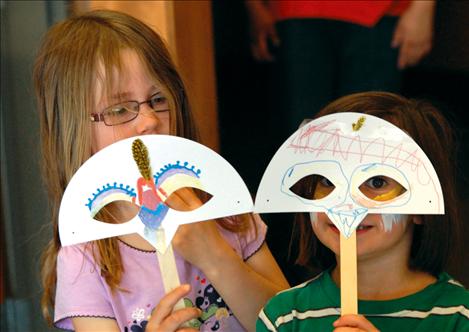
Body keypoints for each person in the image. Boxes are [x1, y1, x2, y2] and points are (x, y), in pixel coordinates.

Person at [34, 10, 289, 332]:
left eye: (157, 99)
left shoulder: (228, 214)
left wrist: (215, 256)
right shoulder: (85, 259)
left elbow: (287, 324)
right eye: (120, 109)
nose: (149, 120)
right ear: (73, 128)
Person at [256, 92, 469, 331]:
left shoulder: (459, 317)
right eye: (327, 181)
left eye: (376, 182)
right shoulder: (284, 317)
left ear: (422, 203)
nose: (347, 204)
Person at [245, 0, 436, 138]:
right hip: (294, 10)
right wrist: (254, 6)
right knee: (298, 139)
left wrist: (423, 6)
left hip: (380, 12)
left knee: (369, 135)